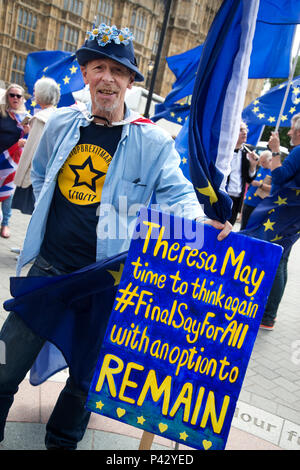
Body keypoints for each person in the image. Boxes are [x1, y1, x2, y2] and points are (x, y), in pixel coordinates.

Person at [0, 24, 231, 450]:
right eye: (98, 67)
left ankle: (63, 442)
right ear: (85, 74)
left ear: (129, 81)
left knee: (87, 382)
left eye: (117, 71)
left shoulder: (153, 141)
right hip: (49, 271)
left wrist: (201, 225)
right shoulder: (61, 125)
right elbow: (47, 171)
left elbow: (177, 194)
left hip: (109, 283)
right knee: (3, 365)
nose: (107, 78)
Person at [260, 113, 300, 330]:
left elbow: (279, 177)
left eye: (292, 128)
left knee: (277, 260)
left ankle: (268, 315)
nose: (289, 132)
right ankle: (269, 314)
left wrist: (275, 150)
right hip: (293, 216)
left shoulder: (299, 151)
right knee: (281, 260)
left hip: (284, 215)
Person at [12, 77, 60, 215]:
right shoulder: (55, 115)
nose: (33, 94)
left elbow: (34, 152)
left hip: (35, 178)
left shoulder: (40, 119)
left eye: (35, 91)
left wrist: (24, 178)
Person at [0, 84, 28, 238]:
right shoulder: (1, 113)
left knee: (8, 193)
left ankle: (5, 223)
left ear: (23, 98)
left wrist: (25, 136)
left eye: (18, 96)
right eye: (12, 95)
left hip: (12, 160)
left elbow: (27, 137)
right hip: (0, 155)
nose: (15, 98)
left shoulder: (24, 117)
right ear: (7, 97)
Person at [227, 121, 259, 225]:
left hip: (237, 199)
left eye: (245, 130)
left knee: (228, 229)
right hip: (222, 195)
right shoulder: (224, 150)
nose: (244, 132)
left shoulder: (247, 152)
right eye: (241, 130)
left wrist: (253, 166)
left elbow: (249, 179)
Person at [240, 150, 272, 230]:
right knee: (243, 227)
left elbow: (274, 188)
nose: (261, 164)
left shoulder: (274, 171)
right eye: (260, 161)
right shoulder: (259, 168)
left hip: (260, 205)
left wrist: (260, 185)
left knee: (253, 229)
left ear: (270, 160)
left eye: (264, 162)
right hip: (249, 201)